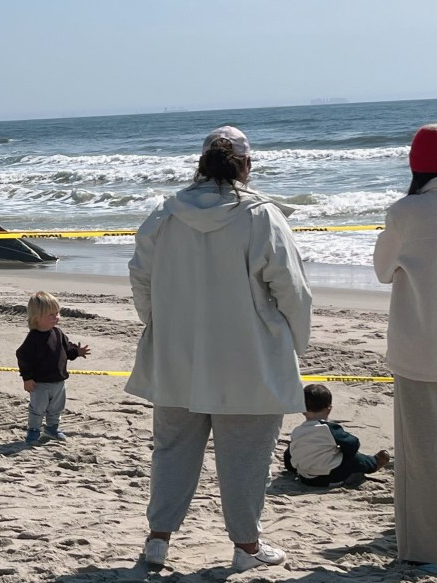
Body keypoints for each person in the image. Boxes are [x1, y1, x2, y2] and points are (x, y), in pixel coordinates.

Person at [127, 126, 312, 571]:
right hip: (248, 354)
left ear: (201, 163)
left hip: (178, 352)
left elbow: (140, 275)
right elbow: (291, 288)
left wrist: (158, 324)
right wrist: (294, 341)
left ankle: (158, 539)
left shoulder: (166, 213)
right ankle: (246, 546)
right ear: (246, 164)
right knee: (246, 455)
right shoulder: (260, 215)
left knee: (172, 449)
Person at [373, 122, 437, 577]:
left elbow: (384, 271)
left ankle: (434, 551)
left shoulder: (405, 212)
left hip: (419, 348)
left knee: (424, 455)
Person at [15, 291, 90, 444]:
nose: (56, 317)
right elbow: (22, 356)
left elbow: (66, 350)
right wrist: (27, 378)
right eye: (51, 314)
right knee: (37, 409)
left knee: (56, 408)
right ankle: (33, 430)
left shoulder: (58, 333)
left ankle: (52, 429)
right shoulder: (34, 337)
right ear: (37, 317)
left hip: (59, 381)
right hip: (39, 383)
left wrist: (77, 352)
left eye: (57, 313)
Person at [283, 384, 390, 487]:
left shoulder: (297, 431)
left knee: (294, 449)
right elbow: (353, 443)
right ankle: (374, 463)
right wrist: (345, 454)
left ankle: (297, 469)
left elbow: (290, 453)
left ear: (303, 410)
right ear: (329, 409)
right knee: (356, 459)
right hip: (330, 477)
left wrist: (292, 467)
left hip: (306, 479)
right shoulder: (329, 428)